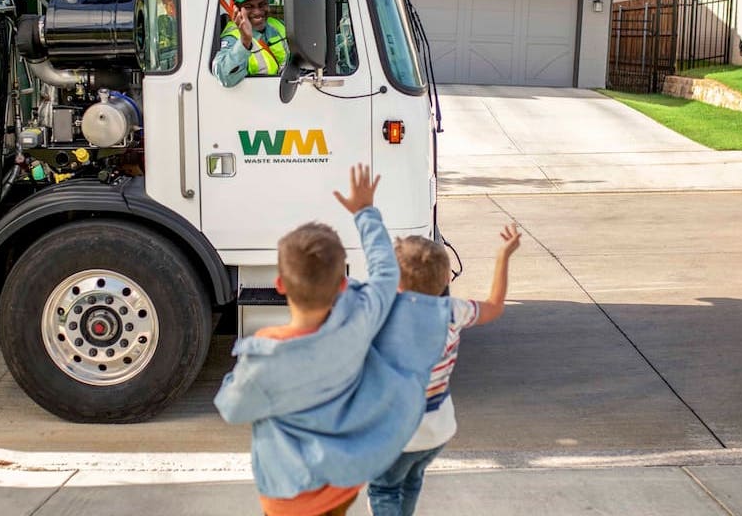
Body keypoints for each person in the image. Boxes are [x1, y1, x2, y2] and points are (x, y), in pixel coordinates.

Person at [214, 165, 451, 516]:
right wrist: (364, 212)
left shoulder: (267, 355)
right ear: (343, 283)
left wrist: (237, 375)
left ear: (280, 285)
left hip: (288, 495)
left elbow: (232, 408)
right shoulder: (359, 319)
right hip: (341, 487)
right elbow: (386, 273)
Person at [366, 223, 522, 516]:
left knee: (384, 489)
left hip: (397, 436)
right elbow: (494, 306)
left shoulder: (384, 318)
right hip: (437, 432)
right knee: (412, 479)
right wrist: (503, 256)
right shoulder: (453, 310)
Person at [212, 0, 288, 87]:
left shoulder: (278, 25)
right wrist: (244, 41)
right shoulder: (232, 37)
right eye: (248, 6)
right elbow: (225, 77)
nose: (257, 11)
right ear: (236, 9)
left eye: (262, 4)